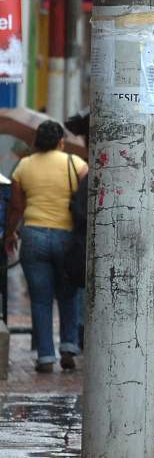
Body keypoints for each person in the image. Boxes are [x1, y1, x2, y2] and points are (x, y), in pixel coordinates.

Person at [4, 120, 88, 372]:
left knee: (40, 300)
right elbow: (86, 199)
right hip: (67, 238)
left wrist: (9, 234)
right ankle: (69, 346)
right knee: (68, 294)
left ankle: (45, 356)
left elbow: (16, 207)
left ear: (36, 142)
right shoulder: (76, 164)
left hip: (33, 236)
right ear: (61, 142)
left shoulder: (23, 167)